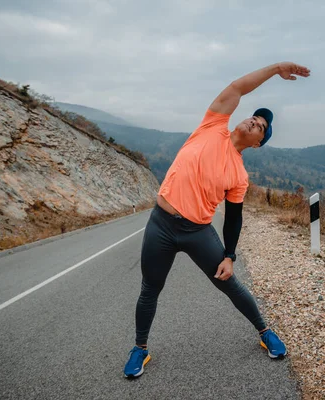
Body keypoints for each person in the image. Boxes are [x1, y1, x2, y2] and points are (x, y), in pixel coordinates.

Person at [124, 62, 311, 378]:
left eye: (262, 127)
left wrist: (230, 256)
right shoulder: (213, 125)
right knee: (150, 288)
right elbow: (238, 87)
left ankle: (264, 331)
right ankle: (140, 349)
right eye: (256, 117)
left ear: (257, 144)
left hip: (197, 231)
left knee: (230, 285)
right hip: (161, 225)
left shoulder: (239, 175)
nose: (256, 121)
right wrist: (276, 69)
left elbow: (234, 219)